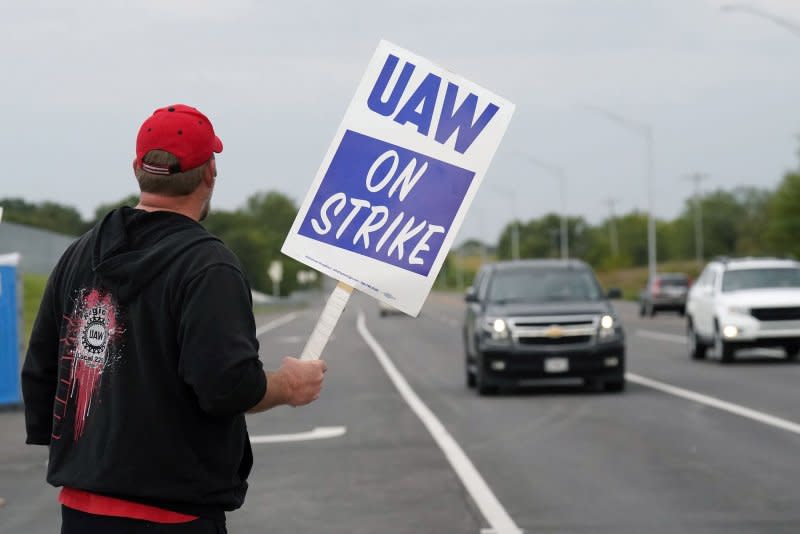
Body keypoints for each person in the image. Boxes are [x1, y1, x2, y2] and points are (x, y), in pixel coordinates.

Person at [21, 104, 327, 533]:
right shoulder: (207, 266)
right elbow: (228, 386)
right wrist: (290, 386)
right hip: (173, 514)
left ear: (136, 168)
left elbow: (41, 368)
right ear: (209, 173)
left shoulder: (81, 253)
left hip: (81, 508)